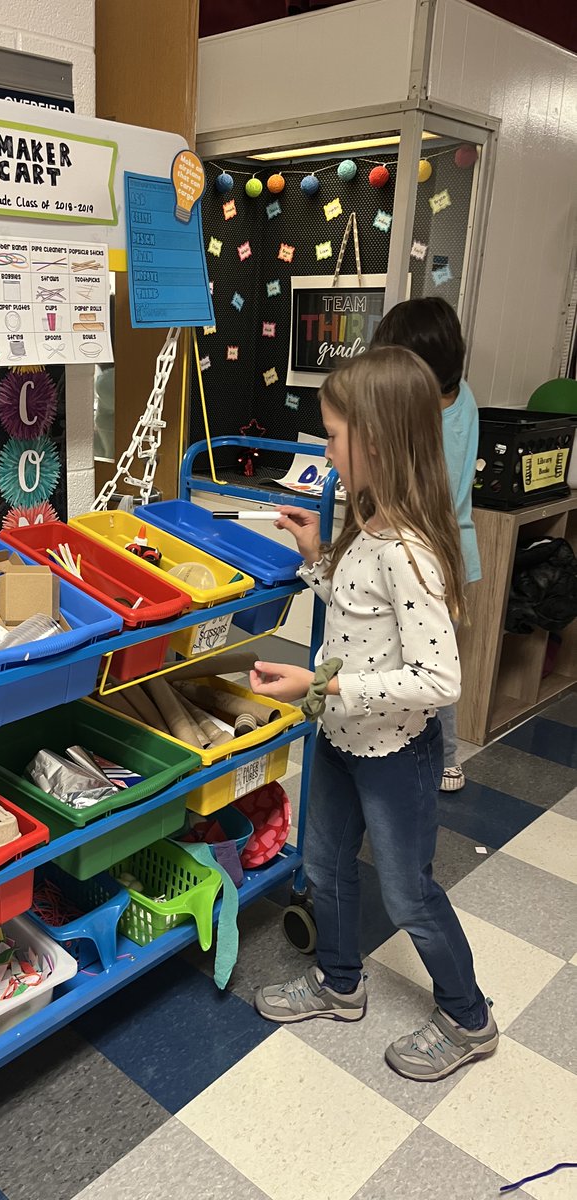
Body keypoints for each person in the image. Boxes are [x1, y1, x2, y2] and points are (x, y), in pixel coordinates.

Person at [250, 346, 497, 1081]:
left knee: (407, 891)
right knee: (322, 867)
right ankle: (339, 982)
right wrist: (317, 555)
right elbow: (359, 616)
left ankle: (468, 1017)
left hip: (396, 755)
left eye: (331, 435)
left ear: (377, 441)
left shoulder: (410, 551)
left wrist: (322, 687)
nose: (323, 450)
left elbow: (436, 677)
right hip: (340, 740)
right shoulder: (369, 528)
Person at [371, 297, 480, 791]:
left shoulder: (423, 421)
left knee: (428, 668)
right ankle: (445, 759)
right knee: (438, 659)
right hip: (456, 552)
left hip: (428, 556)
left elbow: (411, 496)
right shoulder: (466, 399)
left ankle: (440, 758)